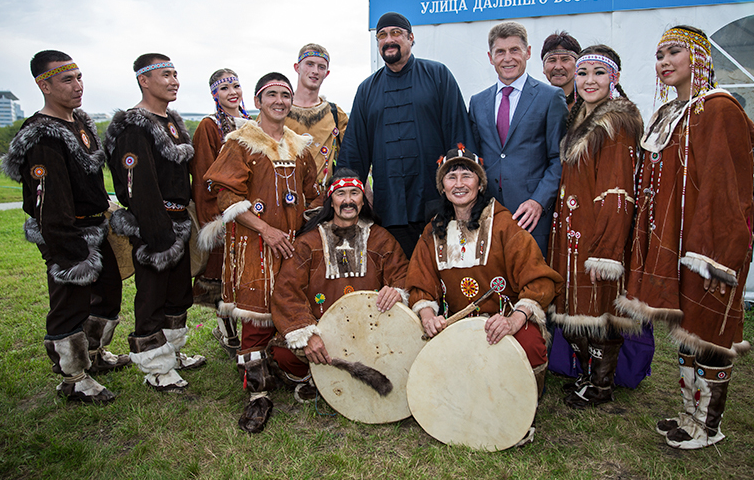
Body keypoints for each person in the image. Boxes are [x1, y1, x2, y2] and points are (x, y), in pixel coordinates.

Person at [616, 26, 754, 450]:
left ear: (698, 56)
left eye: (673, 52)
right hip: (674, 243)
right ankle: (688, 413)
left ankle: (709, 425)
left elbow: (725, 187)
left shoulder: (718, 109)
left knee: (709, 328)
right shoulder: (671, 113)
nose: (663, 61)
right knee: (686, 329)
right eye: (659, 54)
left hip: (709, 245)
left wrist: (717, 254)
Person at [406, 145, 563, 445]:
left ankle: (516, 414)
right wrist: (428, 316)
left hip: (502, 322)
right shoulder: (433, 232)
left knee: (530, 342)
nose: (460, 183)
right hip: (455, 325)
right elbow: (420, 283)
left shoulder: (504, 225)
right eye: (451, 177)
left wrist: (515, 320)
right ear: (442, 186)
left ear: (480, 183)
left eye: (468, 176)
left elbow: (539, 279)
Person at [2, 50, 129, 403]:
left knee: (108, 295)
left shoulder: (81, 122)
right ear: (44, 85)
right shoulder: (42, 135)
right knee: (69, 304)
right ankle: (73, 378)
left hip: (95, 226)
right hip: (65, 232)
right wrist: (67, 249)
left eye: (79, 77)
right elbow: (49, 202)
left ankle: (93, 356)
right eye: (66, 80)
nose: (78, 86)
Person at [203, 72, 320, 434]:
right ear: (257, 100)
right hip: (255, 245)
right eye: (272, 94)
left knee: (296, 308)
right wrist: (266, 229)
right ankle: (258, 395)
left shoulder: (299, 146)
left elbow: (312, 195)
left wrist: (306, 233)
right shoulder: (240, 143)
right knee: (255, 319)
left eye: (285, 95)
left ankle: (289, 366)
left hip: (292, 246)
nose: (280, 100)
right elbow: (225, 196)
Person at [547, 45, 644, 408]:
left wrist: (607, 246)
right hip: (572, 228)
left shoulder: (615, 124)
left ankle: (601, 386)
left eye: (598, 73)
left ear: (613, 78)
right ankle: (587, 376)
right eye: (583, 72)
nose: (589, 80)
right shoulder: (579, 117)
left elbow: (618, 191)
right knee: (576, 307)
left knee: (600, 307)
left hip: (596, 231)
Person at [105, 54, 206, 392]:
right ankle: (155, 367)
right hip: (153, 226)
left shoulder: (172, 122)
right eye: (165, 74)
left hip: (178, 220)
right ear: (144, 80)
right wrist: (157, 234)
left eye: (176, 73)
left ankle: (171, 353)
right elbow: (140, 187)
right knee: (152, 298)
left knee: (178, 295)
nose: (174, 80)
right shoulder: (134, 127)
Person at [269, 168, 409, 412]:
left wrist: (398, 291)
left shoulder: (380, 239)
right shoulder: (308, 242)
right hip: (323, 337)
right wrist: (307, 334)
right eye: (340, 193)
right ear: (330, 200)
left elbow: (403, 275)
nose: (347, 200)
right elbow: (287, 291)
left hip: (370, 334)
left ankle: (324, 377)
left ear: (363, 199)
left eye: (354, 193)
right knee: (285, 356)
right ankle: (315, 376)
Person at [338, 11, 475, 258]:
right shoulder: (367, 90)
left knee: (443, 277)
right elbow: (353, 152)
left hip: (438, 207)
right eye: (382, 35)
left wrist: (460, 195)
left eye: (396, 33)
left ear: (411, 38)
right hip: (390, 210)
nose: (389, 40)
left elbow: (459, 138)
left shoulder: (438, 76)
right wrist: (355, 194)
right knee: (400, 280)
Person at [469, 21, 568, 257]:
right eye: (500, 52)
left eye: (515, 50)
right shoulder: (477, 102)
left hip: (533, 216)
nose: (508, 58)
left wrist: (538, 201)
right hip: (489, 216)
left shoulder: (550, 97)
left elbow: (559, 158)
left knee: (535, 286)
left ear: (528, 52)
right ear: (490, 57)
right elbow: (475, 159)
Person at [190, 69, 250, 358]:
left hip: (251, 209)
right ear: (215, 94)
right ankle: (227, 331)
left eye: (236, 85)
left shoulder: (251, 124)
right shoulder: (209, 126)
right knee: (222, 273)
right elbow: (203, 175)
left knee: (245, 271)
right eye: (225, 88)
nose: (233, 92)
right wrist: (213, 218)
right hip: (221, 211)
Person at [285, 44, 349, 194]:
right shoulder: (277, 110)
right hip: (282, 200)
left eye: (321, 67)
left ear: (326, 73)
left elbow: (351, 159)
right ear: (297, 67)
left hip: (322, 202)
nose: (315, 71)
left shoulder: (335, 114)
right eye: (309, 64)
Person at [541, 31, 582, 112]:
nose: (558, 67)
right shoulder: (535, 103)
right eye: (552, 60)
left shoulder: (588, 103)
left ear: (578, 66)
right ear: (543, 68)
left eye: (565, 60)